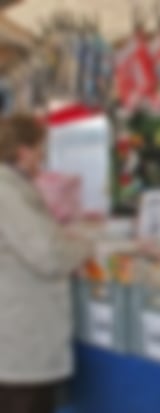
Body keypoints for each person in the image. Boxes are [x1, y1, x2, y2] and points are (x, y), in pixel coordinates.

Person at [0, 115, 92, 413]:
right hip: (20, 337)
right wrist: (84, 247)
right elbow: (48, 255)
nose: (43, 157)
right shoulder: (7, 191)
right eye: (40, 149)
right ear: (23, 151)